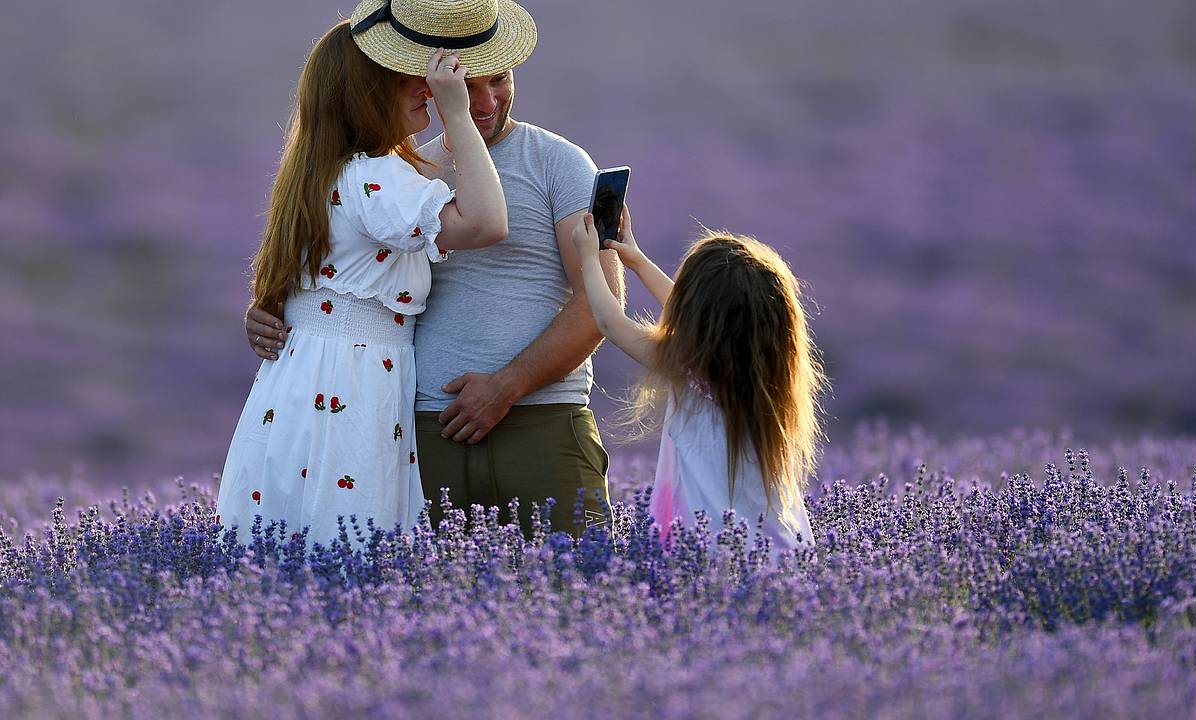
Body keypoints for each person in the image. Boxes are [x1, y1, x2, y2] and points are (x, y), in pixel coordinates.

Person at [245, 0, 624, 536]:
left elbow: (600, 303)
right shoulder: (404, 173)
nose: (487, 101)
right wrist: (274, 312)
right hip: (424, 426)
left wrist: (506, 386)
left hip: (541, 419)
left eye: (500, 79)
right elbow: (346, 272)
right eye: (467, 85)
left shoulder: (561, 163)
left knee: (576, 592)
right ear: (431, 83)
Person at [216, 13, 508, 545]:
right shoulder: (376, 175)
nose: (422, 87)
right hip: (353, 385)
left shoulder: (322, 169)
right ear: (367, 93)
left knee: (286, 541)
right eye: (403, 79)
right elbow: (488, 222)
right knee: (350, 541)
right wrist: (459, 115)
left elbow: (428, 169)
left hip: (300, 381)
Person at [571, 208, 825, 552]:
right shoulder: (771, 379)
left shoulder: (688, 371)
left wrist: (588, 259)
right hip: (778, 550)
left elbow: (610, 322)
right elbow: (699, 316)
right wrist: (637, 260)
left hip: (707, 554)